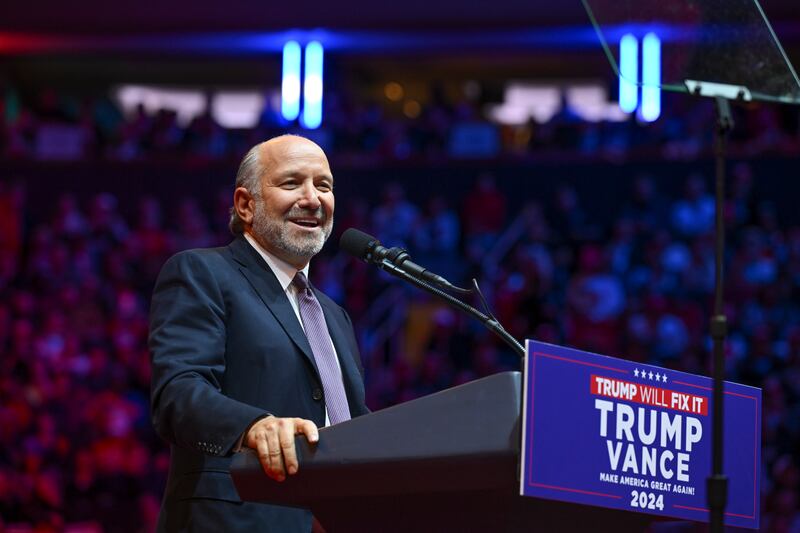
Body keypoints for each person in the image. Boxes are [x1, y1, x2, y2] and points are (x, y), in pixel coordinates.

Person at [149, 135, 369, 532]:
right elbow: (177, 393)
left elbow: (351, 423)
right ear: (245, 205)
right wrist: (252, 427)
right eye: (291, 183)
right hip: (236, 518)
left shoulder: (334, 316)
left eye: (324, 185)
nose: (312, 198)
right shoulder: (203, 273)